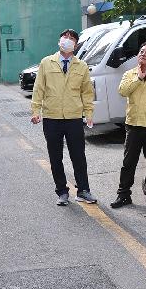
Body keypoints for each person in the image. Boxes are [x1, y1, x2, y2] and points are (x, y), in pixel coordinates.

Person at [31, 29, 97, 206]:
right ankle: (62, 191)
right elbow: (39, 89)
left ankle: (83, 190)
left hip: (74, 117)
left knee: (78, 156)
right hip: (52, 117)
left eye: (72, 38)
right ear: (60, 41)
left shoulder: (81, 66)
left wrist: (89, 114)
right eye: (65, 37)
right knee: (55, 156)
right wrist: (36, 111)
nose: (67, 40)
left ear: (76, 45)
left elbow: (87, 93)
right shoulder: (46, 63)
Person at [111, 42, 146, 209]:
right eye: (141, 51)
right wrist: (139, 78)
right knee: (128, 162)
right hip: (133, 124)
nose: (143, 54)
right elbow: (122, 91)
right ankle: (123, 194)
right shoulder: (130, 74)